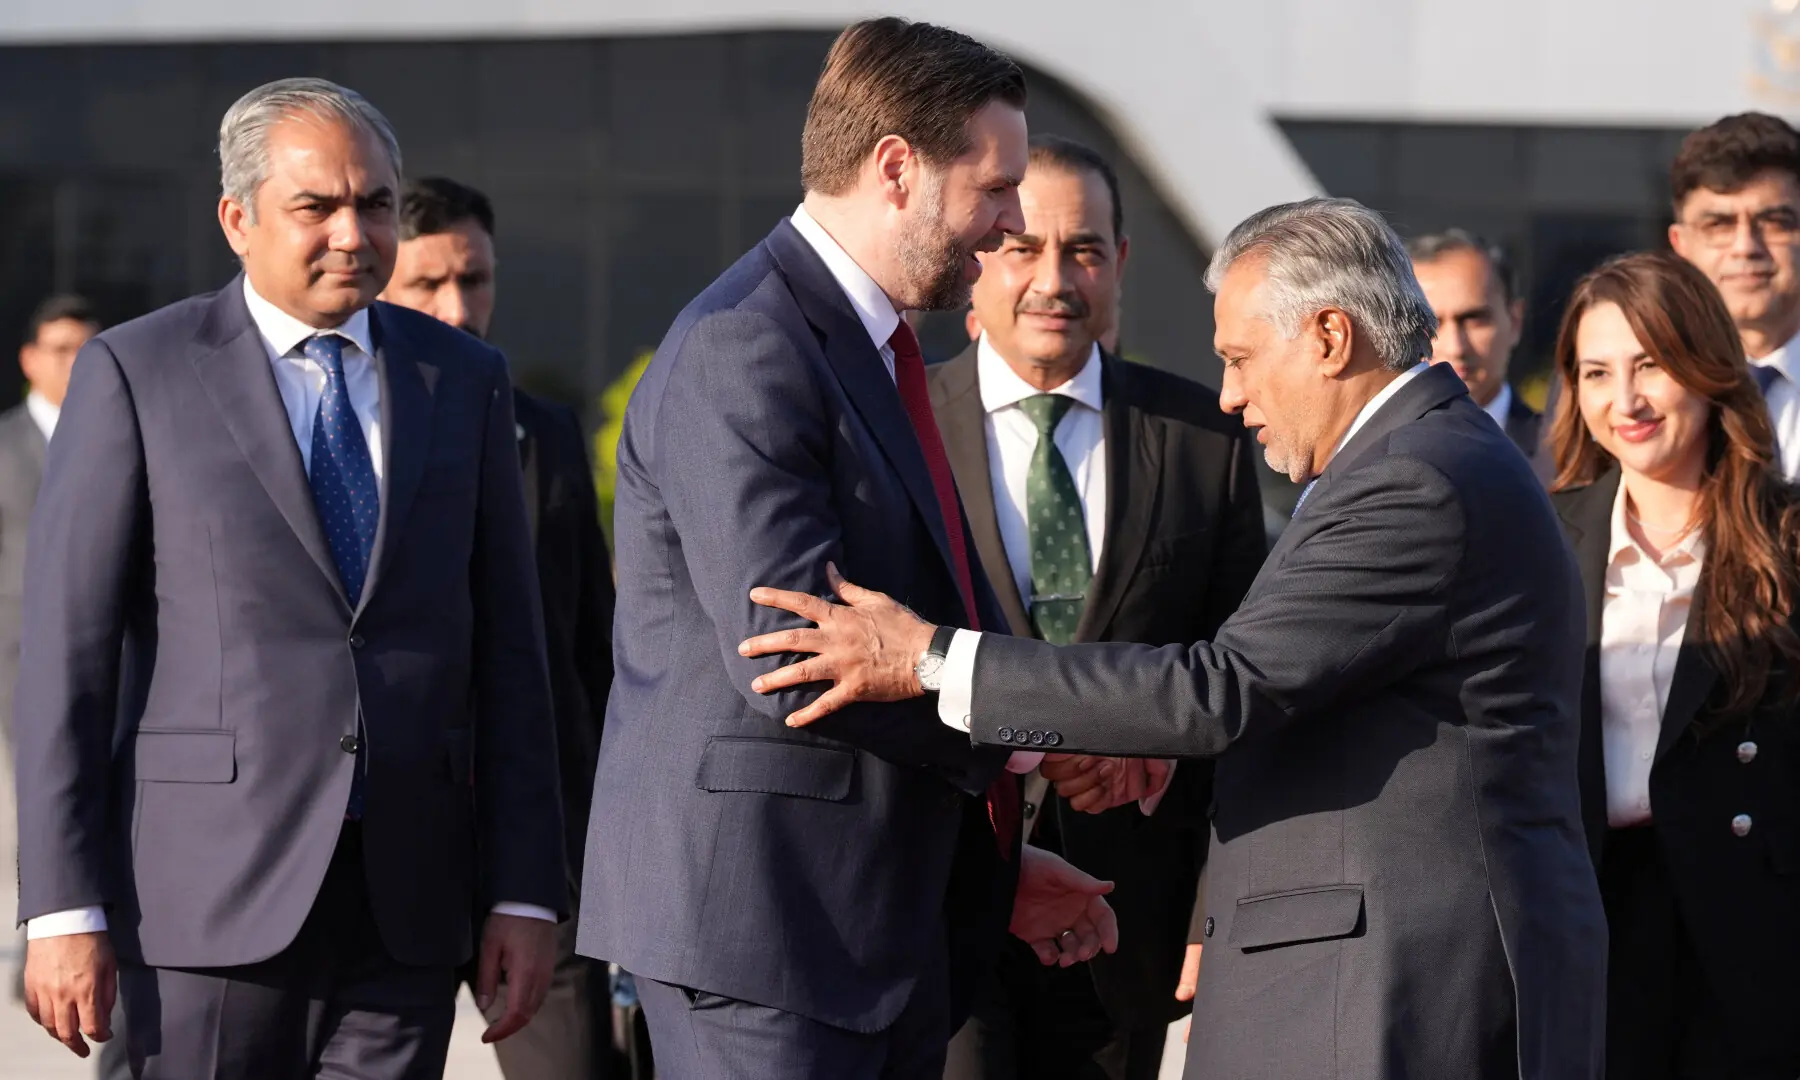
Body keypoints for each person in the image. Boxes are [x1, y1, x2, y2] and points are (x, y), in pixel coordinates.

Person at [739, 196, 1609, 1080]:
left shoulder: (1415, 480)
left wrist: (930, 659)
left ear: (1330, 338)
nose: (1229, 396)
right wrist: (1164, 747)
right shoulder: (1418, 460)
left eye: (1239, 359)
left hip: (1400, 987)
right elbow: (1302, 686)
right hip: (1368, 977)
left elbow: (1222, 688)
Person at [579, 19, 1120, 1080]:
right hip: (767, 945)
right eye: (998, 189)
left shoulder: (869, 349)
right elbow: (799, 659)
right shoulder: (750, 345)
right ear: (895, 169)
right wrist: (1032, 742)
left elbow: (916, 611)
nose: (1012, 227)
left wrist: (999, 852)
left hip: (858, 936)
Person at [14, 78, 566, 1079]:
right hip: (202, 910)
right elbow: (67, 663)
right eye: (317, 207)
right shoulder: (137, 373)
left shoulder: (465, 381)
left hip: (406, 907)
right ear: (238, 219)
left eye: (376, 204)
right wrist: (61, 906)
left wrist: (526, 892)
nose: (354, 233)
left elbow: (512, 658)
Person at [929, 135, 1264, 1080]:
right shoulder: (899, 426)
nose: (1053, 278)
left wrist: (1212, 907)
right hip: (950, 885)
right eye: (1024, 246)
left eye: (1082, 250)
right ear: (979, 255)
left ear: (1119, 262)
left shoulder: (1207, 436)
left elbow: (1244, 676)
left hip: (1133, 907)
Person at [378, 175, 619, 1080]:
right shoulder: (338, 446)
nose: (457, 308)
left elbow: (593, 652)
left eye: (473, 280)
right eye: (427, 284)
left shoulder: (546, 434)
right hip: (389, 856)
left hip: (540, 858)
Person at [1546, 250, 1800, 1079]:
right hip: (1589, 914)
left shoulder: (1786, 536)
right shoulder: (1539, 537)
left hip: (1755, 923)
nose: (1624, 401)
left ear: (1706, 365)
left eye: (1649, 364)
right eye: (1595, 373)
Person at [1, 294, 98, 1008]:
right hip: (16, 661)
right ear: (30, 360)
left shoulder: (113, 434)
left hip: (104, 662)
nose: (73, 363)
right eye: (60, 349)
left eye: (85, 349)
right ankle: (43, 935)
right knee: (39, 799)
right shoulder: (4, 446)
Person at [1668, 113, 1800, 479]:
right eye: (1719, 225)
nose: (1746, 247)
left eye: (1775, 221)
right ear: (1681, 245)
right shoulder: (1630, 392)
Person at [1408, 229, 1540, 454]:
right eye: (1430, 324)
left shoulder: (1568, 461)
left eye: (1475, 320)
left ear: (1515, 321)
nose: (1455, 347)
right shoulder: (1355, 459)